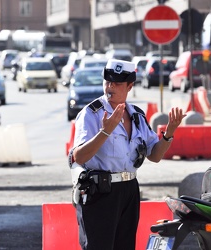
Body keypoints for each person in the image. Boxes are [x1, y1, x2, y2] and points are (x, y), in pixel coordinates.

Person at [69, 58, 186, 250]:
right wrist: (105, 132)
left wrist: (169, 133)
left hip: (129, 190)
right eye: (107, 81)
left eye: (117, 83)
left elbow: (154, 156)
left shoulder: (137, 116)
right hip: (100, 192)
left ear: (130, 86)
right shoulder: (92, 113)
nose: (110, 87)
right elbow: (79, 157)